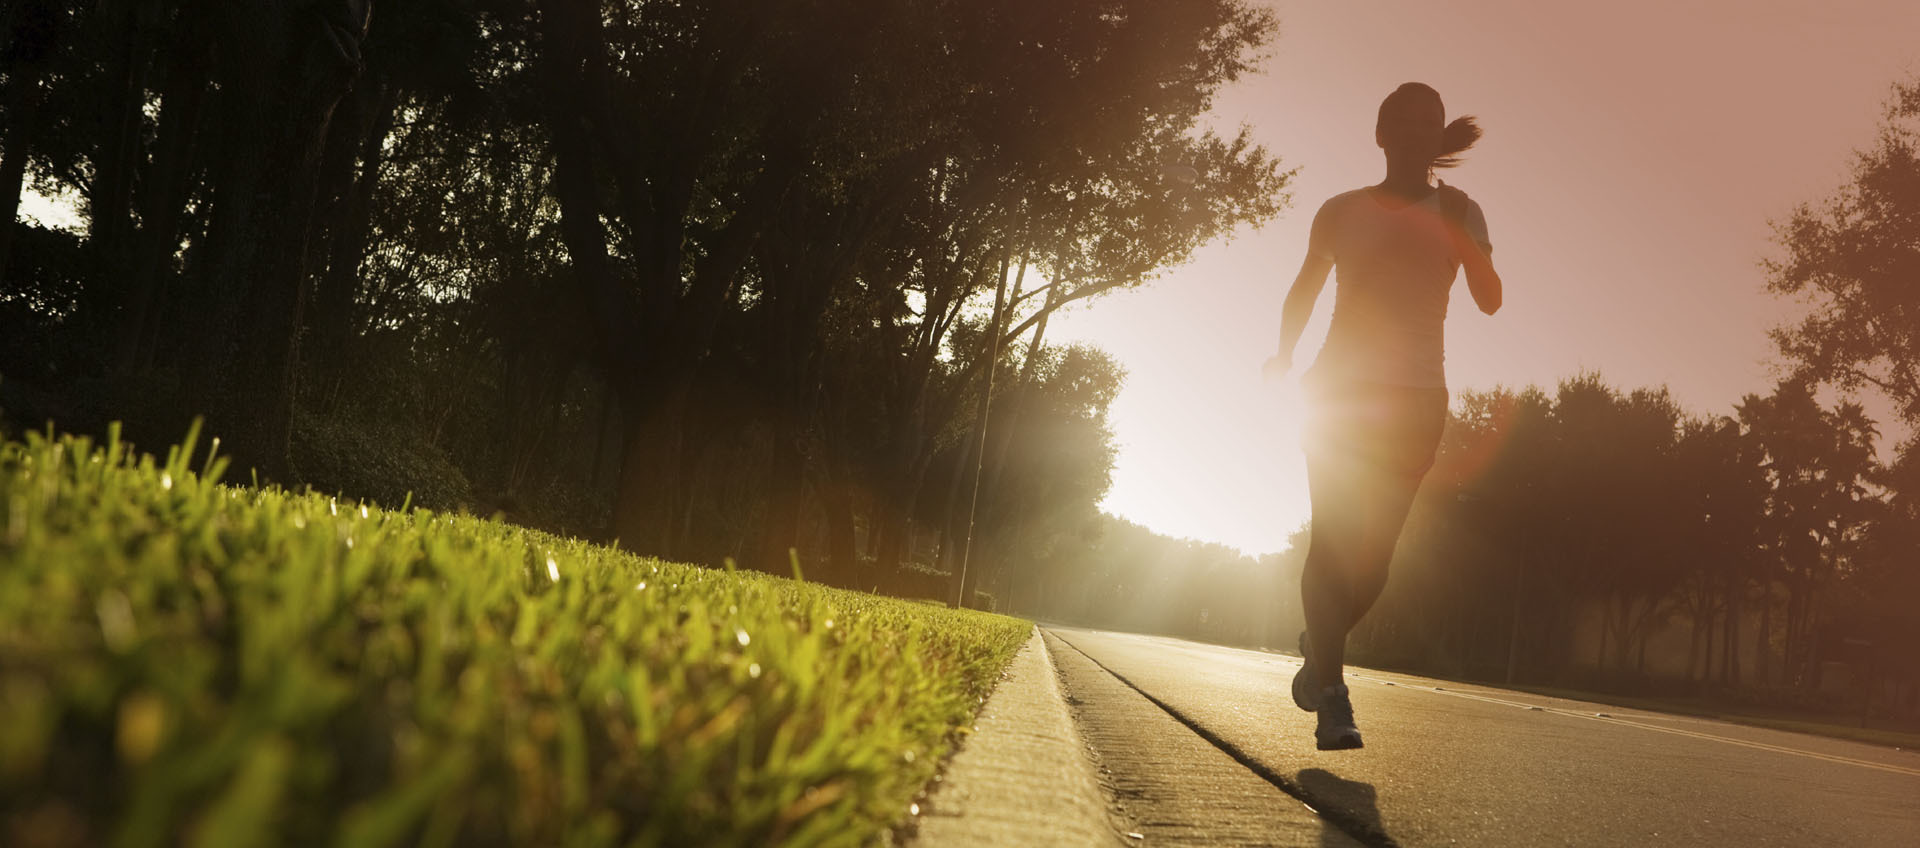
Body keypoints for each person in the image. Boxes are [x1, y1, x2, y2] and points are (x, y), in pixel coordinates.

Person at [1262, 82, 1504, 750]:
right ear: (1382, 133)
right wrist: (1283, 354)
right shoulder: (1340, 211)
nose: (1417, 133)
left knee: (1375, 566)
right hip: (1338, 394)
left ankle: (1321, 651)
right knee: (1334, 544)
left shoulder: (1462, 210)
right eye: (1405, 122)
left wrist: (1460, 232)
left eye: (1431, 124)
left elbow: (1491, 299)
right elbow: (1305, 286)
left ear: (1437, 139)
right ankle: (1333, 699)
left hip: (1417, 401)